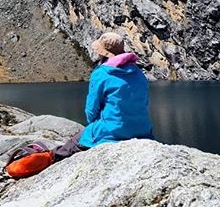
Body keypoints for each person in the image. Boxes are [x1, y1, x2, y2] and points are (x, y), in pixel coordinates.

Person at [51, 32, 154, 162]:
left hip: (112, 133)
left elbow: (91, 110)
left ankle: (47, 159)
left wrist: (95, 125)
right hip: (143, 131)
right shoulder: (138, 72)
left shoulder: (101, 73)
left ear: (103, 52)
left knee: (70, 146)